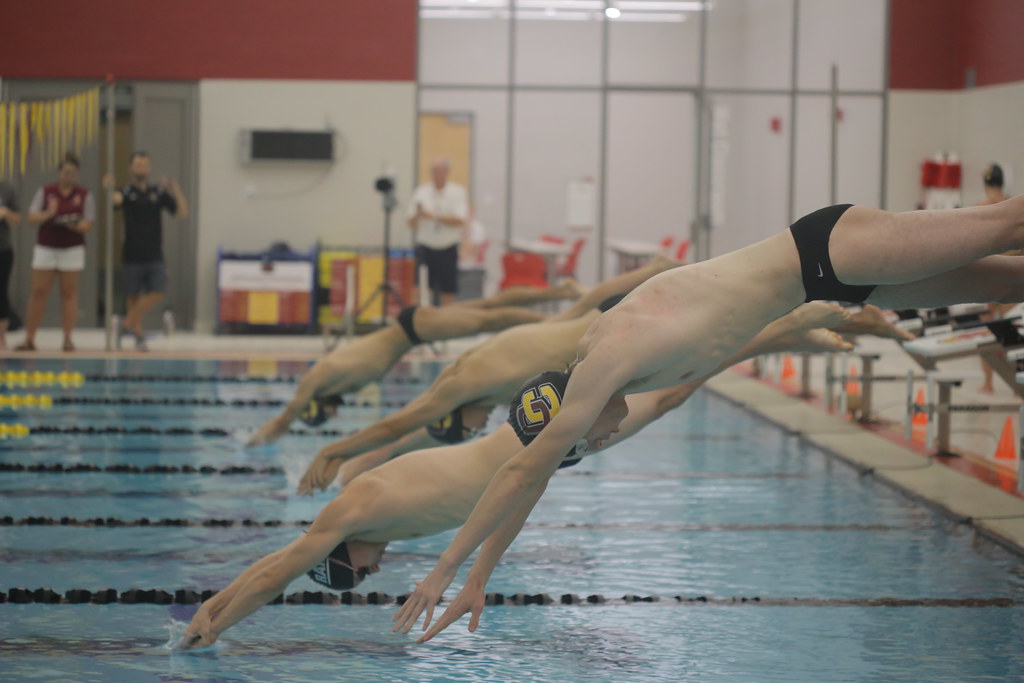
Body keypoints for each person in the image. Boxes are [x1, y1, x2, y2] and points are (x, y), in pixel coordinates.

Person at [392, 199, 1024, 641]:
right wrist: (481, 575)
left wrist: (444, 570)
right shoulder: (603, 374)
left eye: (585, 440)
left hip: (830, 247)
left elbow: (525, 466)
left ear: (572, 412)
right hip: (831, 282)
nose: (604, 439)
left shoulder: (608, 360)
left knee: (1006, 223)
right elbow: (536, 476)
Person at [177, 303, 855, 650]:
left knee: (663, 378)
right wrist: (213, 605)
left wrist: (220, 624)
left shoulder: (358, 508)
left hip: (536, 433)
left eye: (355, 573)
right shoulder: (363, 523)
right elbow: (278, 562)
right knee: (669, 390)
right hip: (537, 449)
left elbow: (282, 570)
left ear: (343, 555)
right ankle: (780, 331)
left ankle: (781, 321)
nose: (371, 573)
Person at [295, 257, 682, 492]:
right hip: (602, 319)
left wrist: (332, 451)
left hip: (619, 321)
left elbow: (396, 426)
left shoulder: (467, 384)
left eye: (467, 430)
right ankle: (659, 269)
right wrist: (361, 465)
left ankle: (663, 271)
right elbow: (405, 440)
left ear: (456, 413)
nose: (477, 430)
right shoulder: (490, 389)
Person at [246, 281, 583, 446]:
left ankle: (566, 314)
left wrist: (275, 428)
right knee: (489, 309)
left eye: (324, 416)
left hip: (412, 328)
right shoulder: (338, 386)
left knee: (491, 318)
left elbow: (292, 407)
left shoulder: (320, 378)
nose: (333, 415)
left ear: (317, 406)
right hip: (414, 331)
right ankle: (561, 295)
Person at [103, 152, 188, 351]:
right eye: (137, 164)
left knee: (158, 291)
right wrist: (108, 187)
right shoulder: (125, 192)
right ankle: (138, 334)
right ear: (131, 168)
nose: (141, 168)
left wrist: (176, 190)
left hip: (154, 253)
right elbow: (115, 201)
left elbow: (182, 212)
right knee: (132, 297)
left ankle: (125, 325)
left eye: (144, 164)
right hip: (132, 253)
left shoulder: (157, 193)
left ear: (149, 168)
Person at [16, 153, 95, 352]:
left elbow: (88, 223)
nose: (69, 176)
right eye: (66, 172)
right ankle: (30, 338)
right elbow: (31, 218)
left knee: (69, 293)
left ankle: (68, 338)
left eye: (73, 173)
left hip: (72, 248)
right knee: (38, 292)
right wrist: (48, 214)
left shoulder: (84, 195)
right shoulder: (46, 192)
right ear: (59, 172)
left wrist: (73, 226)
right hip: (46, 246)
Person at [973, 164, 1019, 393]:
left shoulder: (979, 210)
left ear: (984, 183)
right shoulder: (1013, 208)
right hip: (1012, 280)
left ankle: (988, 382)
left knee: (987, 332)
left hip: (987, 280)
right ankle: (1016, 384)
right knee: (1015, 334)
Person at [407, 157, 467, 306]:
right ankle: (420, 321)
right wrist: (418, 214)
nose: (437, 174)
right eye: (434, 171)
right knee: (421, 287)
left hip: (448, 246)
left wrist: (434, 216)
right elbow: (411, 222)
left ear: (447, 172)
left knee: (448, 290)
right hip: (426, 246)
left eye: (440, 171)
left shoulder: (457, 192)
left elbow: (460, 219)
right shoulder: (421, 192)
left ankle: (446, 324)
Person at [0, 180, 22, 350]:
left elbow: (17, 219)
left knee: (1, 291)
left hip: (3, 249)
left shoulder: (7, 189)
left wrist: (6, 213)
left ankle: (1, 338)